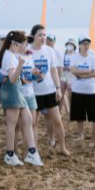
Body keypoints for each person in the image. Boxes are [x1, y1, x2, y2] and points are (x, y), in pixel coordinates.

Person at [0, 30, 42, 167]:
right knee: (12, 123)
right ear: (15, 44)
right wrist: (21, 65)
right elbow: (11, 78)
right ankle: (10, 154)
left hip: (16, 90)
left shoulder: (11, 55)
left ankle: (32, 153)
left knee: (28, 119)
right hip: (12, 91)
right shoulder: (9, 56)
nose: (24, 47)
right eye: (23, 44)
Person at [30, 25, 70, 156]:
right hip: (34, 92)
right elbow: (24, 70)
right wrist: (33, 72)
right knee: (33, 123)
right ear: (34, 36)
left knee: (57, 121)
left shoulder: (49, 50)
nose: (43, 37)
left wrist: (58, 88)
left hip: (49, 90)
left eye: (44, 35)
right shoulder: (28, 51)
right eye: (40, 35)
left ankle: (62, 148)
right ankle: (33, 150)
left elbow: (53, 70)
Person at [68, 37, 95, 141]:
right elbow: (72, 70)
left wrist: (81, 74)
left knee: (94, 115)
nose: (86, 46)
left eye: (88, 44)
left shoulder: (93, 55)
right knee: (79, 115)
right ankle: (80, 135)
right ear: (79, 45)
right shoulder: (74, 56)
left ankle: (94, 136)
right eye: (84, 44)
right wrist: (88, 72)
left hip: (91, 90)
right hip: (77, 89)